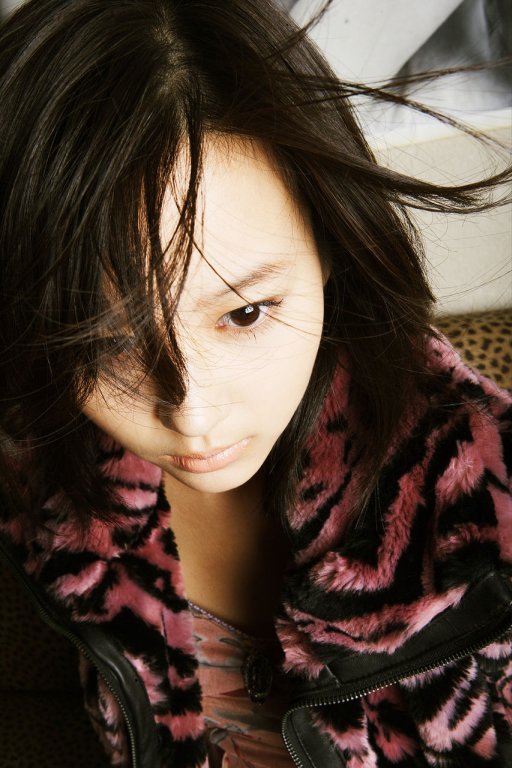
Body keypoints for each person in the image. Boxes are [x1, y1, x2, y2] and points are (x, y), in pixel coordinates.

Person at [0, 1, 511, 766]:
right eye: (106, 345)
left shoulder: (487, 502)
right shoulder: (45, 469)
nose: (192, 414)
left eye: (243, 313)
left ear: (330, 244)